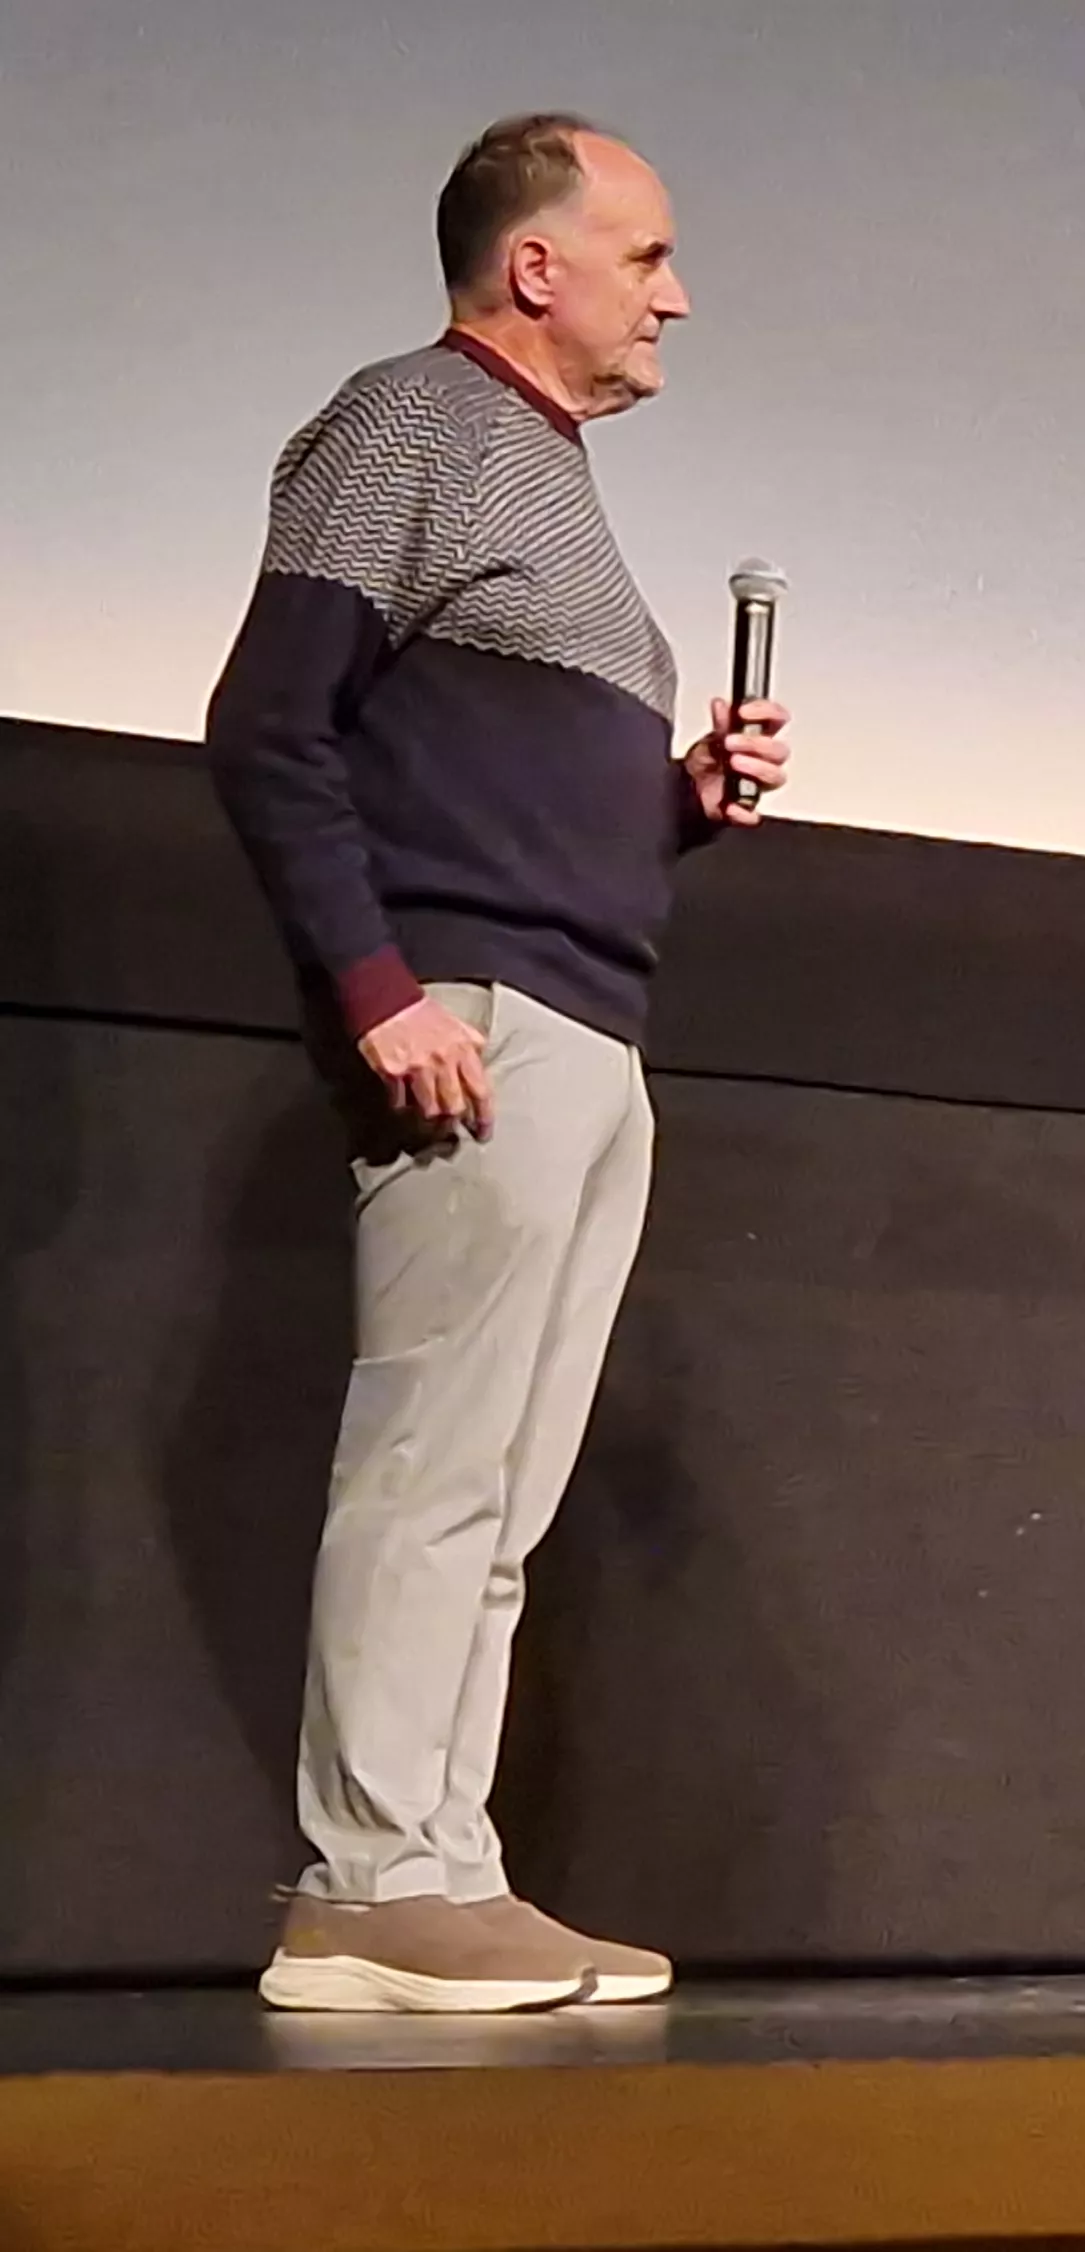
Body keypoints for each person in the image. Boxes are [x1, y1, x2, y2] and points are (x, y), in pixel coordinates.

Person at [205, 113, 793, 2013]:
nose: (675, 297)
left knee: (506, 1493)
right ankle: (364, 1883)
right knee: (433, 1465)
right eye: (648, 256)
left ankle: (447, 1868)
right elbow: (269, 724)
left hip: (586, 1019)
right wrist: (378, 986)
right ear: (536, 266)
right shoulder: (410, 424)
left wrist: (679, 804)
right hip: (472, 1017)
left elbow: (496, 792)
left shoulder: (548, 479)